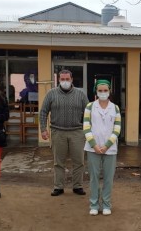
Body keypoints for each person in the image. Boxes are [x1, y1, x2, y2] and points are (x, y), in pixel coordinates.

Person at [39, 69, 90, 196]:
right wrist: (43, 129)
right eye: (62, 79)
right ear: (59, 80)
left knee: (79, 161)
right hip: (58, 132)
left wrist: (89, 131)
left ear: (72, 80)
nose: (65, 81)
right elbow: (43, 111)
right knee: (58, 162)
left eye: (67, 79)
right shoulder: (51, 94)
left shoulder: (81, 94)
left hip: (77, 133)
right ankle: (58, 186)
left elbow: (89, 113)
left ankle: (77, 186)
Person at [83, 80, 121, 216]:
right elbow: (86, 127)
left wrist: (106, 146)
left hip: (109, 149)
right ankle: (94, 204)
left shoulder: (115, 108)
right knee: (93, 177)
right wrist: (94, 144)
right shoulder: (89, 107)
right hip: (93, 148)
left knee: (108, 178)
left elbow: (117, 129)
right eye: (100, 90)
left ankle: (106, 204)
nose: (103, 93)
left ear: (109, 91)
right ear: (96, 91)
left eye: (105, 90)